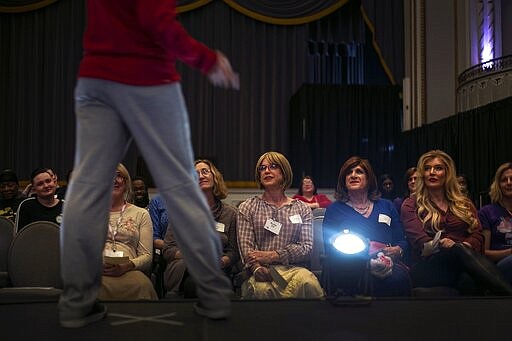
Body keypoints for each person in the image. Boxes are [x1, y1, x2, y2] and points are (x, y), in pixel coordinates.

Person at [58, 0, 239, 328]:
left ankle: (76, 303)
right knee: (181, 185)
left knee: (86, 189)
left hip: (96, 77)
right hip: (147, 78)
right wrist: (207, 60)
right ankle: (213, 295)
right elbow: (154, 19)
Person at [401, 150, 512, 295]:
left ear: (448, 173)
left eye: (438, 168)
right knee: (458, 252)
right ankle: (508, 296)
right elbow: (420, 242)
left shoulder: (463, 203)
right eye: (427, 169)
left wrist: (464, 245)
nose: (432, 172)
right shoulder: (411, 204)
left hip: (463, 265)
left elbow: (478, 235)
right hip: (427, 266)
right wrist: (448, 246)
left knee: (466, 280)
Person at [237, 151, 324, 299]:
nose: (267, 171)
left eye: (273, 166)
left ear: (284, 172)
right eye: (262, 168)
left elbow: (306, 247)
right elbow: (247, 251)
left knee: (309, 283)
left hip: (296, 269)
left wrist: (273, 255)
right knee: (262, 291)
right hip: (262, 270)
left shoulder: (302, 208)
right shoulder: (248, 207)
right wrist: (257, 268)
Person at [323, 156, 411, 297]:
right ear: (343, 181)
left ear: (369, 179)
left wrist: (398, 250)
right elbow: (329, 247)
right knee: (358, 280)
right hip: (349, 267)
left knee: (399, 280)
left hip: (388, 263)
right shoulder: (334, 209)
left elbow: (401, 240)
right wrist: (366, 262)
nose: (353, 175)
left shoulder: (386, 205)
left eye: (359, 172)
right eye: (349, 173)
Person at [163, 159, 240, 298]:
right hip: (184, 269)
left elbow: (234, 251)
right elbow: (168, 249)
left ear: (214, 177)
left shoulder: (230, 214)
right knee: (195, 285)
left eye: (205, 171)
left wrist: (222, 261)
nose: (200, 176)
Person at [478, 162, 512, 284]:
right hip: (498, 267)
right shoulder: (487, 212)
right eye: (504, 180)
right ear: (498, 185)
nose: (509, 183)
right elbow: (483, 253)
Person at [15, 168, 64, 233]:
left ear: (54, 182)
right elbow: (19, 237)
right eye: (40, 184)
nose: (46, 186)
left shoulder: (66, 206)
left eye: (48, 181)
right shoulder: (26, 206)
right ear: (34, 188)